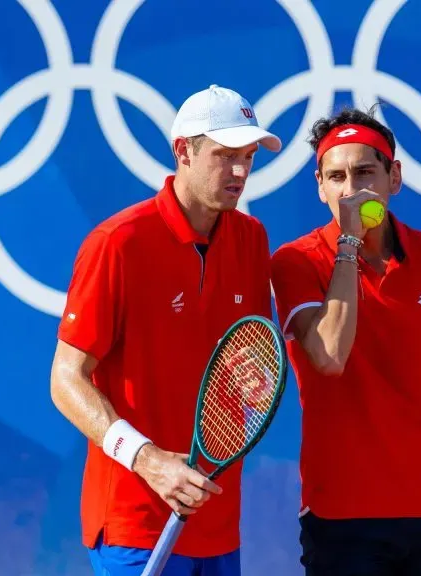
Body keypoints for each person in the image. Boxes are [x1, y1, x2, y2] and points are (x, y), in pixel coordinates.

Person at [269, 106, 421, 576]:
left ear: (395, 178)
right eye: (337, 176)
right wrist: (349, 244)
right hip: (342, 522)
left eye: (365, 172)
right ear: (320, 187)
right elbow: (328, 356)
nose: (351, 190)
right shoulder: (295, 263)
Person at [49, 84, 281, 576]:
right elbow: (65, 380)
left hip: (217, 522)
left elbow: (252, 358)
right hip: (135, 525)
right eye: (225, 156)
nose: (241, 172)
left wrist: (254, 381)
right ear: (184, 151)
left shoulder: (252, 238)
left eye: (248, 156)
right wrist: (148, 459)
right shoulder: (118, 243)